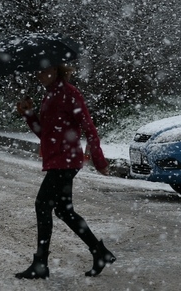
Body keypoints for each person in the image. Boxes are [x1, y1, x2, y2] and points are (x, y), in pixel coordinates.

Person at [14, 64, 116, 279]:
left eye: (43, 70)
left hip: (66, 161)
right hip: (57, 161)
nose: (38, 74)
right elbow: (45, 134)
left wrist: (99, 160)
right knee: (63, 210)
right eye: (37, 71)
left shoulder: (70, 93)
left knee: (43, 204)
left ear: (56, 70)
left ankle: (41, 264)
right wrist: (29, 114)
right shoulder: (50, 96)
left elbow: (89, 127)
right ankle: (99, 252)